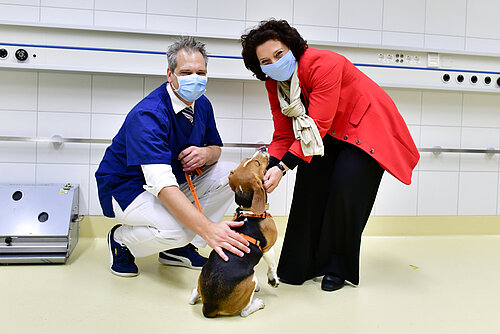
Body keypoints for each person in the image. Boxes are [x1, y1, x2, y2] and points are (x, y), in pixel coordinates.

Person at [240, 20, 419, 291]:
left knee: (346, 188)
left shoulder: (324, 63)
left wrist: (284, 167)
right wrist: (271, 166)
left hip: (364, 128)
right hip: (326, 134)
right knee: (309, 185)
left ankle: (338, 268)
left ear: (292, 47)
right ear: (260, 67)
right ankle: (300, 265)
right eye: (265, 61)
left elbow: (319, 124)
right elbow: (284, 134)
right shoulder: (275, 85)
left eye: (279, 54)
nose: (274, 63)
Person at [95, 36, 250, 277]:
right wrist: (209, 229)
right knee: (178, 229)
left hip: (172, 182)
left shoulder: (202, 104)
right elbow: (162, 184)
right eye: (186, 72)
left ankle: (177, 250)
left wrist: (206, 153)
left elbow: (216, 148)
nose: (195, 79)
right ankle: (121, 240)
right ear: (170, 74)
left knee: (228, 174)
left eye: (201, 72)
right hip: (127, 188)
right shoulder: (148, 114)